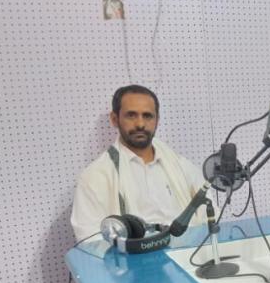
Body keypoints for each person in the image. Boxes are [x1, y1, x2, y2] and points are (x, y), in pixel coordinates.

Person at [71, 85, 206, 241]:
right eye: (131, 115)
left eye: (147, 116)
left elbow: (208, 215)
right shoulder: (95, 177)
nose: (140, 124)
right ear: (114, 119)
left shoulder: (181, 166)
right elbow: (90, 241)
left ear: (157, 120)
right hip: (134, 255)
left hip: (189, 251)